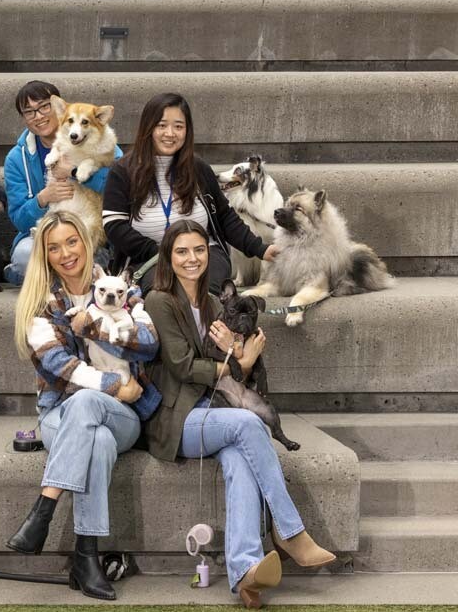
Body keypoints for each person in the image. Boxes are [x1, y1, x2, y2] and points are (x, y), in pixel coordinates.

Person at [143, 220, 335, 609]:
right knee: (250, 425)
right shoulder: (159, 300)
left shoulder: (216, 303)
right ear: (168, 257)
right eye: (181, 251)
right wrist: (235, 359)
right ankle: (289, 531)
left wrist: (241, 361)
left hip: (218, 414)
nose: (192, 258)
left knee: (240, 462)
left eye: (199, 249)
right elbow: (181, 365)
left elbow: (237, 372)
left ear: (209, 254)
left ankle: (245, 573)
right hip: (179, 419)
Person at [5, 210, 158, 600]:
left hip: (125, 415)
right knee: (98, 440)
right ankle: (86, 557)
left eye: (72, 242)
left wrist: (91, 326)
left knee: (90, 405)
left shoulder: (117, 285)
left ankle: (45, 506)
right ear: (44, 254)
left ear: (86, 243)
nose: (66, 253)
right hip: (62, 412)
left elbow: (148, 339)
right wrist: (111, 385)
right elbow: (59, 364)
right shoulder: (40, 302)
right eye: (54, 247)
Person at [103, 93, 277, 294]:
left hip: (204, 254)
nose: (170, 133)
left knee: (205, 293)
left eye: (178, 126)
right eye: (161, 125)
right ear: (148, 128)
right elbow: (114, 225)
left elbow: (224, 216)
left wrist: (260, 249)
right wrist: (159, 251)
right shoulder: (123, 171)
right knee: (161, 297)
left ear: (187, 131)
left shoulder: (198, 168)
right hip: (150, 258)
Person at [3, 80, 123, 285]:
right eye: (29, 112)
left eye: (44, 106)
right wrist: (43, 199)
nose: (38, 116)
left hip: (86, 227)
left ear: (60, 109)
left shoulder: (99, 141)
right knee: (24, 257)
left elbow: (120, 188)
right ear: (24, 118)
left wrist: (74, 172)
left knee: (79, 251)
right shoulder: (16, 159)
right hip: (44, 234)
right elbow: (18, 219)